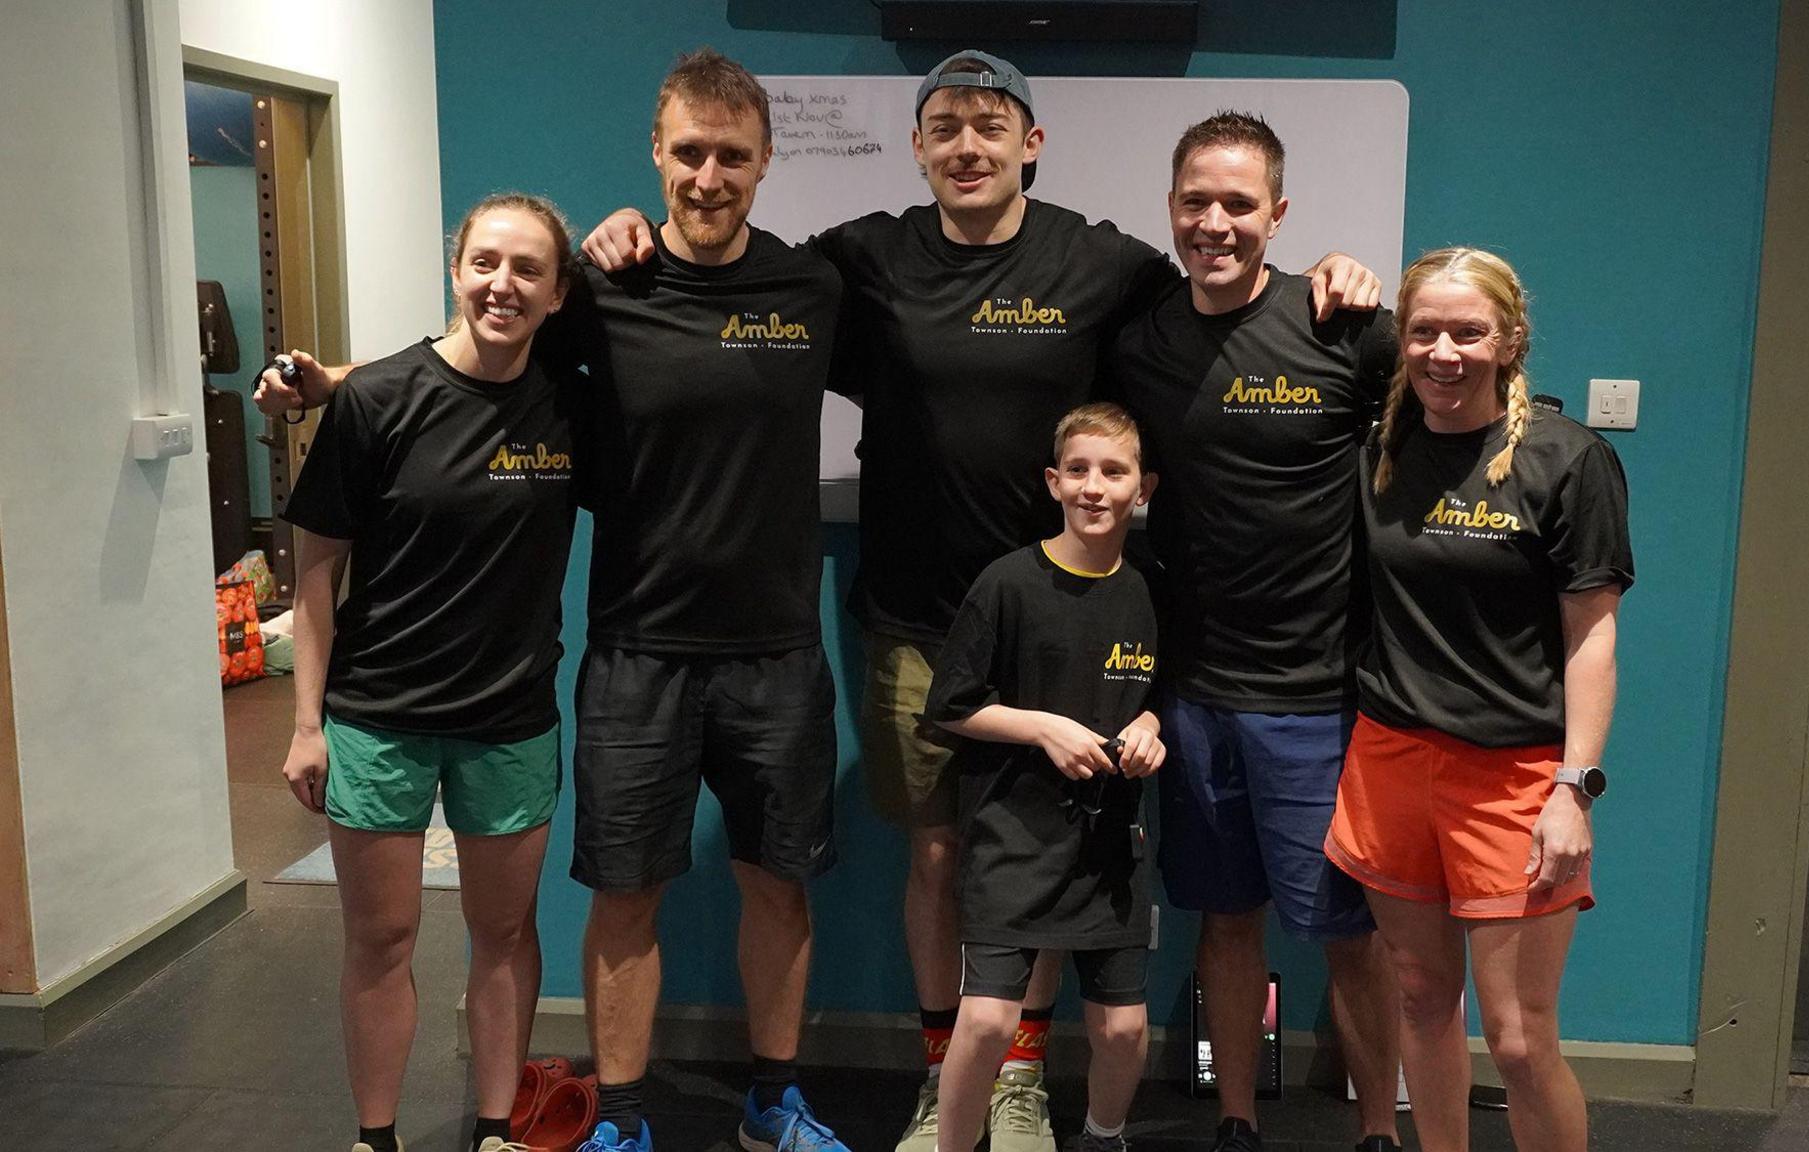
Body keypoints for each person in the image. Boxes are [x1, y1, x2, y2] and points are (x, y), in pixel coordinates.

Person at [581, 54, 1386, 1152]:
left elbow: (1226, 287)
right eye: (945, 126)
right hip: (913, 618)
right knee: (939, 856)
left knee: (1039, 855)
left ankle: (1012, 1073)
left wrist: (1327, 269)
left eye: (990, 125)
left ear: (1030, 144)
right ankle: (938, 1067)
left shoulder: (1102, 262)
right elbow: (721, 267)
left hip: (1062, 627)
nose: (967, 145)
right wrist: (625, 227)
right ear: (918, 147)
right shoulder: (858, 261)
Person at [263, 50, 854, 1152]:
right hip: (635, 652)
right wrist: (333, 381)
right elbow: (470, 355)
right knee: (624, 893)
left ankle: (775, 1099)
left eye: (732, 155)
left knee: (779, 887)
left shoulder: (813, 289)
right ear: (656, 152)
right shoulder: (602, 291)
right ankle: (621, 1117)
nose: (709, 175)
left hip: (777, 650)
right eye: (688, 152)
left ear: (765, 161)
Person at [1110, 112, 1403, 1152]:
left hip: (1315, 698)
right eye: (1196, 201)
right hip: (1191, 695)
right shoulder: (1138, 342)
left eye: (1238, 203)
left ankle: (1378, 1130)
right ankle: (1234, 1120)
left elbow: (1447, 418)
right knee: (1221, 920)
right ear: (1172, 208)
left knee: (1347, 932)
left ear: (1276, 214)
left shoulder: (1343, 327)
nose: (1215, 222)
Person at [279, 193, 579, 1152]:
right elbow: (317, 570)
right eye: (485, 262)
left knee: (502, 937)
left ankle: (495, 1129)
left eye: (528, 270)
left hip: (510, 719)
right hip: (376, 717)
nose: (504, 285)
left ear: (558, 292)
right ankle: (375, 1139)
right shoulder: (375, 401)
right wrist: (305, 722)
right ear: (456, 269)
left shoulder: (571, 401)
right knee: (381, 940)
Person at [1324, 247, 1632, 1152]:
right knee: (1420, 1000)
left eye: (1468, 332)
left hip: (1515, 778)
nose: (1443, 352)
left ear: (1509, 340)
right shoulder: (1383, 446)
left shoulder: (1568, 460)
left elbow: (1593, 636)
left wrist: (1576, 788)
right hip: (1389, 762)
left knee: (1520, 1037)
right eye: (1424, 332)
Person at [922, 402, 1164, 1152]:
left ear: (1142, 488)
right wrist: (1042, 728)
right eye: (1080, 471)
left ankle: (1101, 1137)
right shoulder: (1008, 584)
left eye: (1114, 472)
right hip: (1013, 839)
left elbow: (1163, 697)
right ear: (1055, 482)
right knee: (990, 1018)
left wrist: (1152, 728)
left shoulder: (1151, 587)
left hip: (1109, 851)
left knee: (1123, 1029)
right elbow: (952, 705)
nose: (1096, 488)